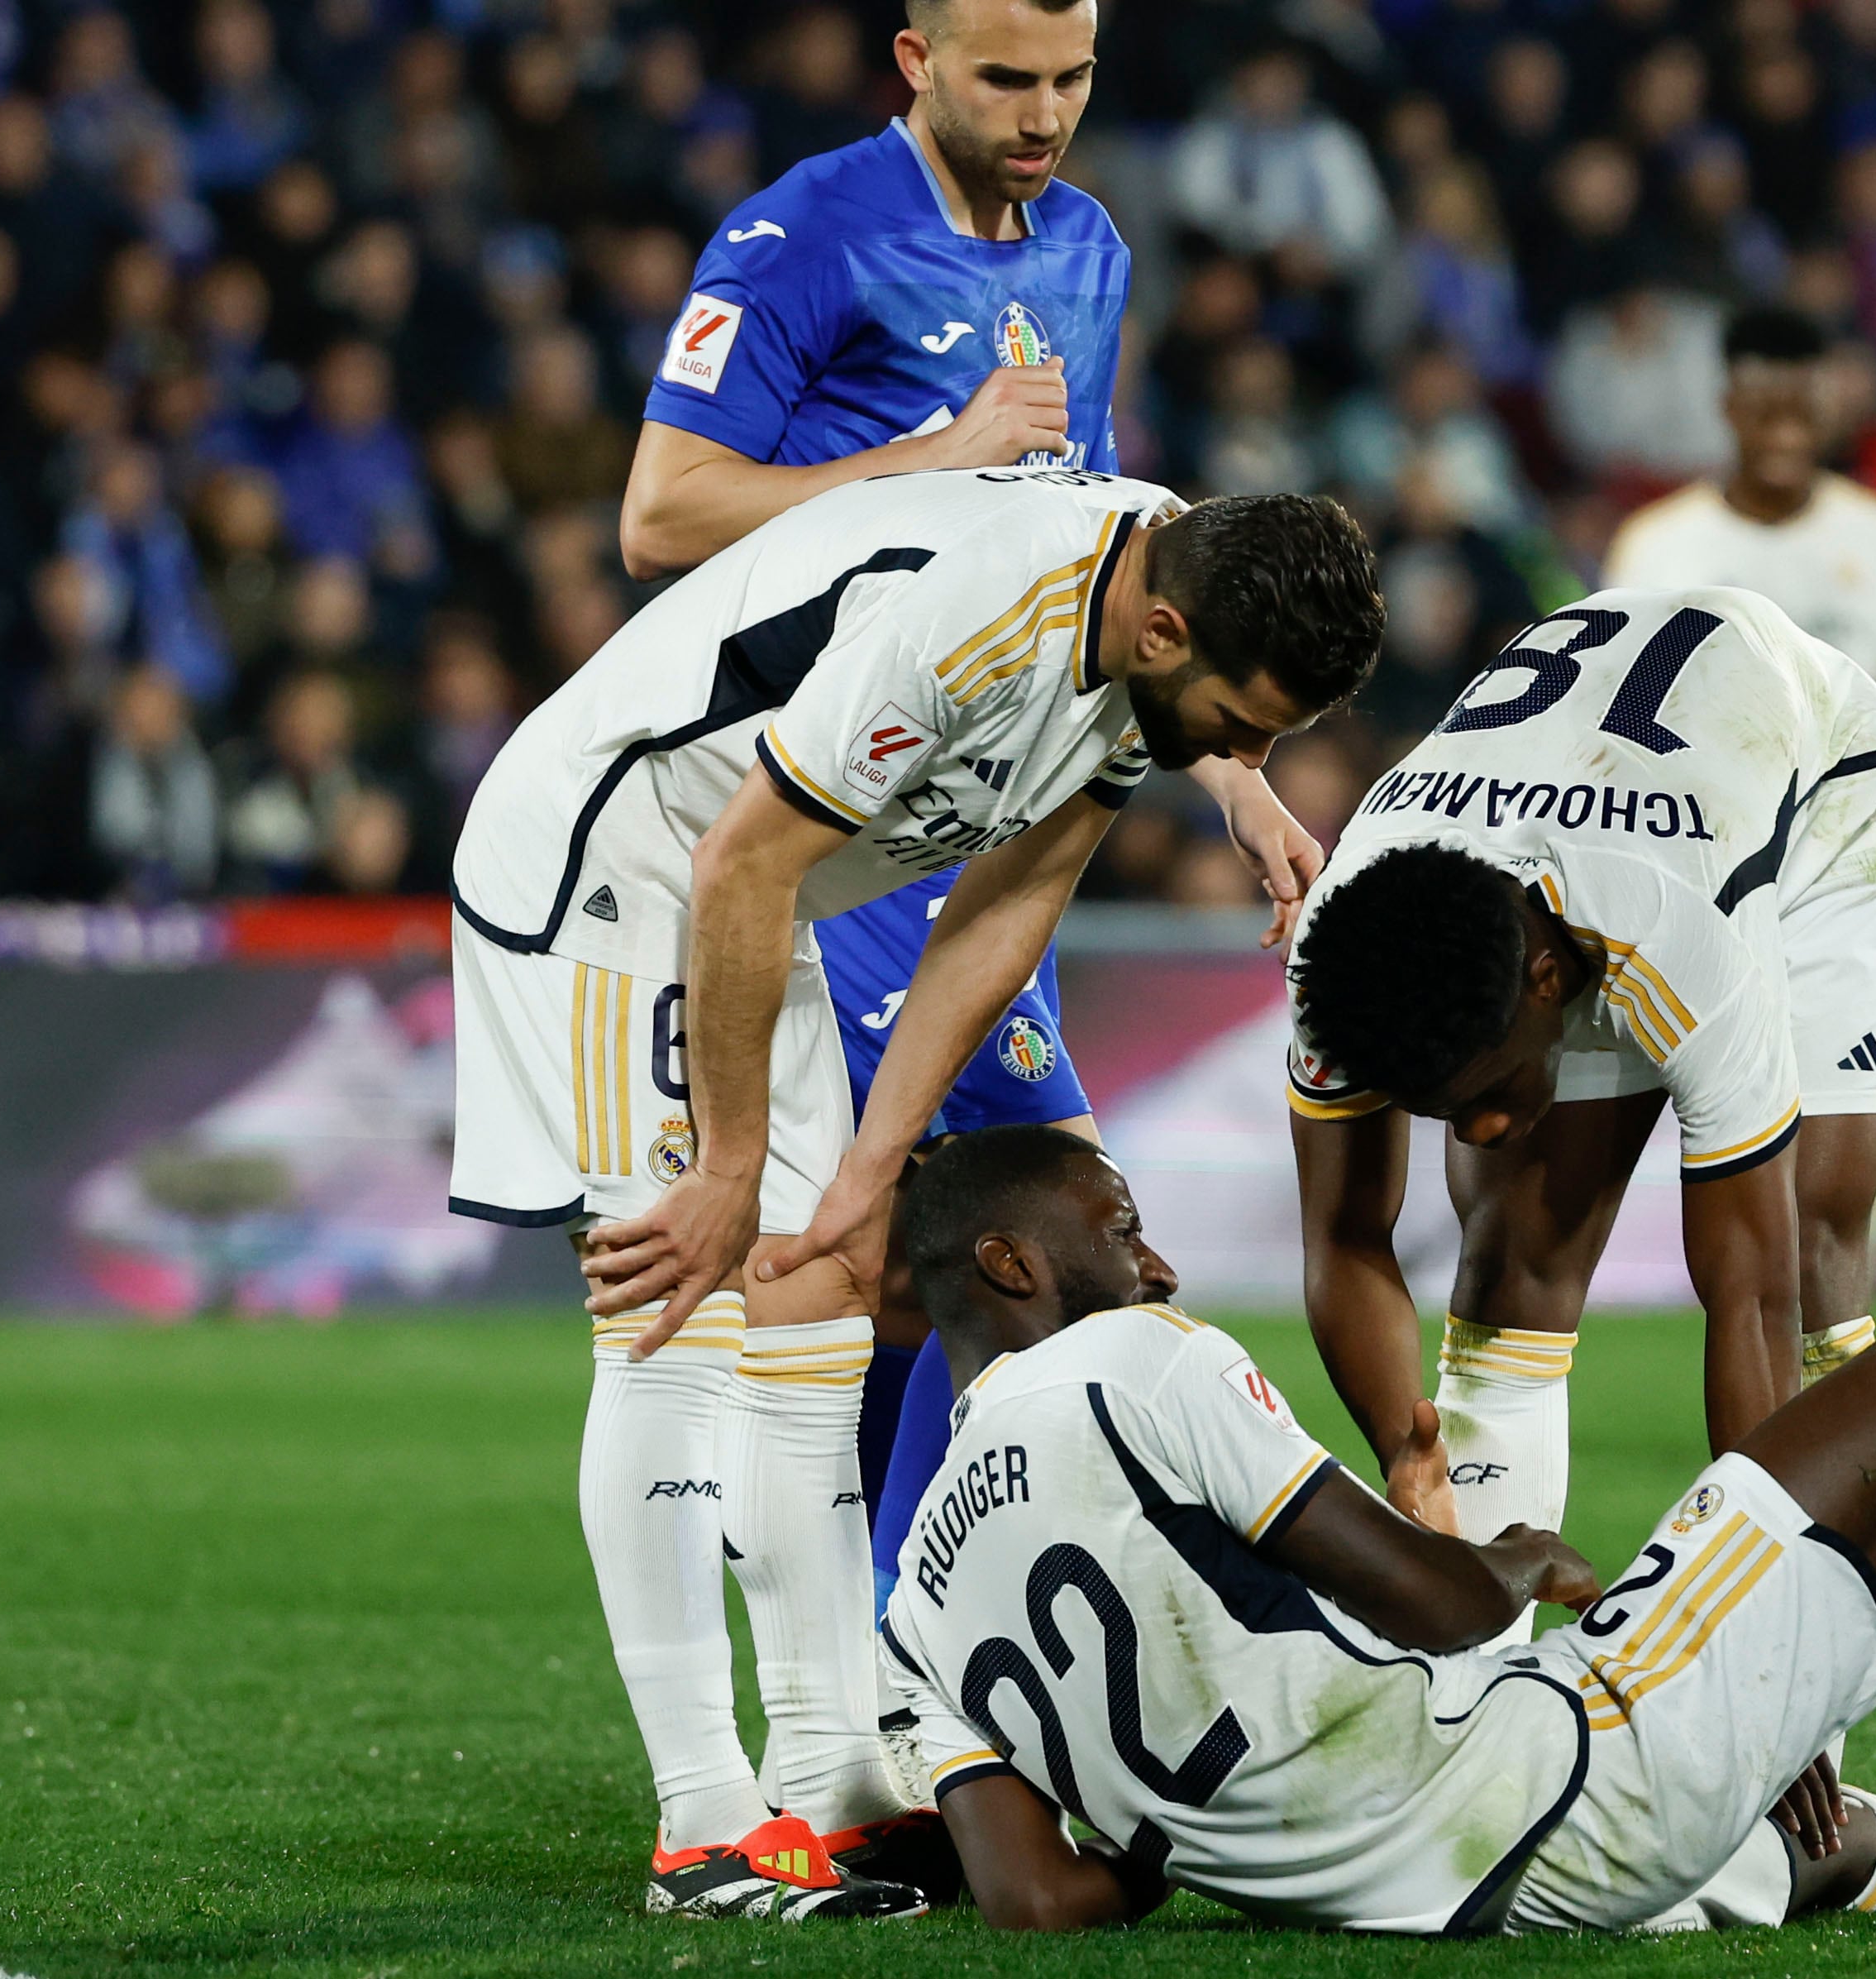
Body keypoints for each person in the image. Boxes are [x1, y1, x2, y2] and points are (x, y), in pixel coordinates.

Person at [446, 466, 1382, 1917]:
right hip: (614, 867)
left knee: (815, 1301)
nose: (1240, 760)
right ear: (1159, 632)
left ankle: (826, 1771)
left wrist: (874, 1163)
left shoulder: (1153, 612)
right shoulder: (974, 616)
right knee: (679, 1302)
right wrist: (736, 1168)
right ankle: (703, 1819)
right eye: (1241, 726)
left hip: (762, 906)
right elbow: (740, 853)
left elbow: (1001, 907)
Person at [874, 1124, 1876, 1936]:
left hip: (1416, 1894)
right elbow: (1437, 1601)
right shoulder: (1131, 1360)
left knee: (1794, 1835)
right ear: (1013, 1265)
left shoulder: (913, 1611)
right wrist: (1522, 1559)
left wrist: (1179, 1837)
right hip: (1543, 1786)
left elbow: (1039, 1901)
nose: (1153, 1266)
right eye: (1119, 1228)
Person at [603, 0, 1325, 1657]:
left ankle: (949, 1630)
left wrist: (1227, 764)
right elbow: (662, 509)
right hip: (819, 803)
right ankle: (887, 1651)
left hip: (986, 810)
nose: (1045, 112)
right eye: (1008, 78)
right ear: (913, 53)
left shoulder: (1086, 246)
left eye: (1072, 77)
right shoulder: (805, 234)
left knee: (1049, 1232)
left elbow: (1116, 543)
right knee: (907, 1260)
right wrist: (935, 455)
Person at [1282, 585, 1876, 1638]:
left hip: (1820, 804)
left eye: (1484, 1096)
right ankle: (1472, 1696)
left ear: (1546, 981)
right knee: (1511, 1259)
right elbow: (1346, 1234)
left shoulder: (1680, 937)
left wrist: (1760, 1621)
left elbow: (1748, 1297)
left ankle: (1811, 1669)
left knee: (1807, 1260)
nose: (1478, 1132)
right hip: (1576, 807)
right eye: (1437, 1111)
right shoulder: (1342, 959)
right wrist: (1406, 1445)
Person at [1601, 305, 1876, 943]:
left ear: (1828, 412)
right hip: (1701, 844)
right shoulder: (1656, 545)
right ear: (1728, 408)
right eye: (1765, 413)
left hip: (1852, 846)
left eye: (1801, 413)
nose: (1785, 435)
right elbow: (1613, 718)